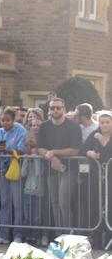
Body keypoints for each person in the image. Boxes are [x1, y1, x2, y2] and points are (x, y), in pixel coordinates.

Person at [37, 97, 82, 232]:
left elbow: (75, 150)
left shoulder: (73, 126)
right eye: (52, 108)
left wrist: (54, 153)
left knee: (64, 203)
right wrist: (52, 158)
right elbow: (40, 148)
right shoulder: (45, 126)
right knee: (55, 203)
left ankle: (68, 234)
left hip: (69, 169)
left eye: (58, 107)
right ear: (49, 110)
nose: (55, 110)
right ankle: (59, 234)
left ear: (64, 109)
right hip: (51, 169)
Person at [0, 108, 26, 244]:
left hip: (16, 170)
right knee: (4, 203)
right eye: (2, 120)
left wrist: (8, 150)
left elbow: (22, 149)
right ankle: (4, 234)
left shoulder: (20, 130)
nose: (5, 123)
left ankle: (18, 235)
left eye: (8, 120)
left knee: (17, 203)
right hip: (3, 170)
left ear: (13, 119)